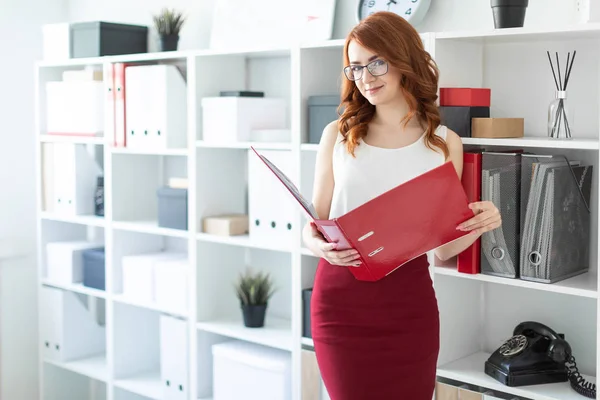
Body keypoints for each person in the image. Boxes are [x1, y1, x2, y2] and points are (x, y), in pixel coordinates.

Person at [302, 11, 502, 400]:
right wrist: (317, 244)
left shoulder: (444, 142)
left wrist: (482, 222)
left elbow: (443, 247)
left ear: (404, 59)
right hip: (341, 303)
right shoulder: (338, 135)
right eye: (356, 67)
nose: (366, 77)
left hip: (409, 306)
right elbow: (315, 222)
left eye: (376, 62)